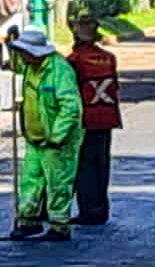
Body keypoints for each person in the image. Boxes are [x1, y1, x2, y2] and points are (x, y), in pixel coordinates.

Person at [10, 29, 84, 241]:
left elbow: (70, 108)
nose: (22, 56)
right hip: (35, 138)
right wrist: (11, 44)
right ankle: (28, 221)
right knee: (30, 181)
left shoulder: (59, 70)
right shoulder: (30, 66)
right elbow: (16, 65)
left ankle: (59, 226)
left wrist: (56, 136)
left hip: (57, 142)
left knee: (57, 183)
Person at [67, 15, 122, 226]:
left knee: (85, 166)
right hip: (107, 117)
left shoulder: (74, 60)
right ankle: (100, 209)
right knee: (101, 165)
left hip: (86, 118)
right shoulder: (109, 57)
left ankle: (89, 211)